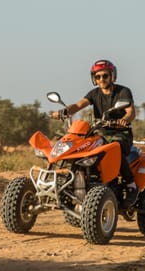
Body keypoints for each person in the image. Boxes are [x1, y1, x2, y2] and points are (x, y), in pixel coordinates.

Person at [50, 59, 138, 205]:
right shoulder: (94, 93)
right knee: (81, 147)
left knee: (115, 147)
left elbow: (131, 111)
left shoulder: (123, 92)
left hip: (120, 133)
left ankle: (130, 184)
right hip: (100, 133)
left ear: (112, 75)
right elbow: (78, 105)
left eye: (105, 76)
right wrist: (64, 111)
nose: (101, 79)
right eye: (98, 77)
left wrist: (124, 120)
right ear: (94, 79)